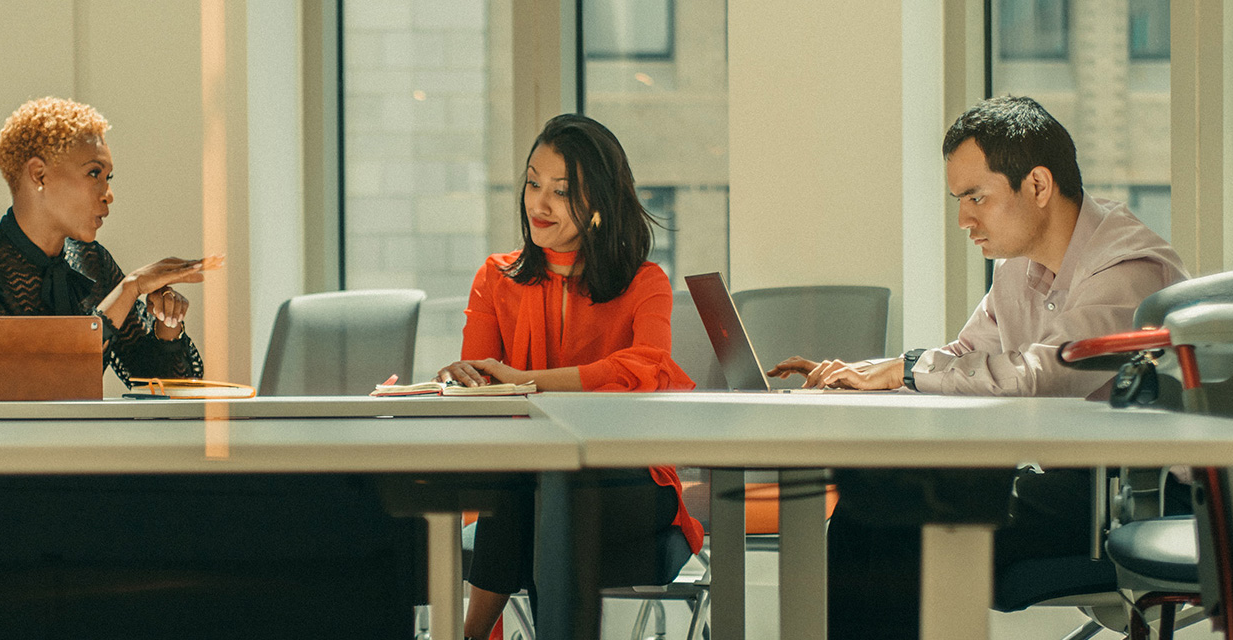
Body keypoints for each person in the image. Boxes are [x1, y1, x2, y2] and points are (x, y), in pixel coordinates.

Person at [767, 96, 1190, 637]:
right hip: (1075, 485)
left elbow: (1045, 377)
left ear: (1037, 186)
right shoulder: (1019, 268)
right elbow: (969, 358)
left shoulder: (1126, 269)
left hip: (1145, 497)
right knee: (862, 512)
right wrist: (875, 374)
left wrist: (907, 370)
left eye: (976, 197)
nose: (964, 219)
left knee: (901, 526)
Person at [441, 113, 703, 640]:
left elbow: (646, 368)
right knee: (534, 485)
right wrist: (467, 378)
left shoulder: (644, 283)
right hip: (525, 478)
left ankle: (467, 636)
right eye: (533, 183)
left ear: (601, 202)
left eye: (560, 192)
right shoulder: (495, 278)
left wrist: (527, 380)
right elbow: (487, 391)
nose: (538, 203)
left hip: (629, 480)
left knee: (544, 494)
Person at [0, 97, 219, 398]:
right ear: (39, 175)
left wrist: (166, 325)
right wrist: (128, 289)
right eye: (94, 173)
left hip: (79, 442)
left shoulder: (91, 261)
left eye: (108, 178)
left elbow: (164, 387)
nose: (108, 195)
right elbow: (27, 383)